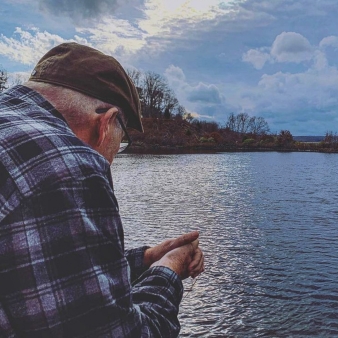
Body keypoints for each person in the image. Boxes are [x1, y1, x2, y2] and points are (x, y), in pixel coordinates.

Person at [0, 43, 204, 337]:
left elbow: (42, 273)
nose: (112, 158)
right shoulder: (66, 166)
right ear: (106, 122)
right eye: (121, 144)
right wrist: (170, 268)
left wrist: (146, 260)